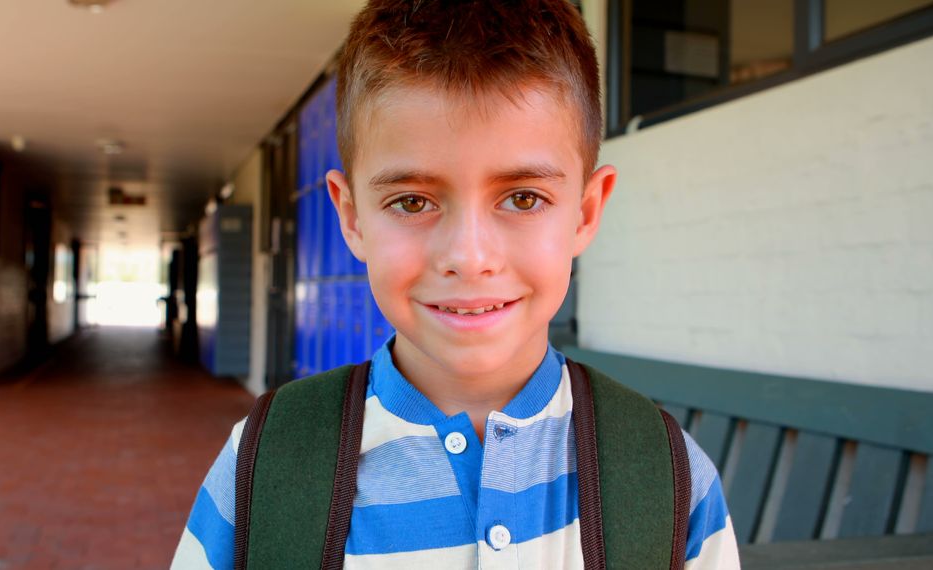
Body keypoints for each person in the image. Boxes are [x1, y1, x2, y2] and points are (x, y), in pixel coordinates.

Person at [172, 0, 740, 568]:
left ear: (586, 213)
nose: (469, 258)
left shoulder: (664, 475)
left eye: (523, 198)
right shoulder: (266, 466)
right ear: (351, 218)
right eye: (412, 201)